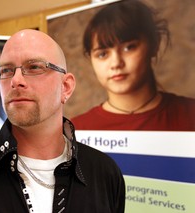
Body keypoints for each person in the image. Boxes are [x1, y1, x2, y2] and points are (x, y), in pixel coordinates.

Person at [0, 29, 125, 213]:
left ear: (66, 87)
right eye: (6, 71)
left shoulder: (104, 174)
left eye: (34, 67)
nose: (15, 80)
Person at [71, 0, 195, 131]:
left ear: (154, 44)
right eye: (102, 54)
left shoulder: (190, 114)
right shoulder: (76, 130)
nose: (116, 63)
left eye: (129, 48)